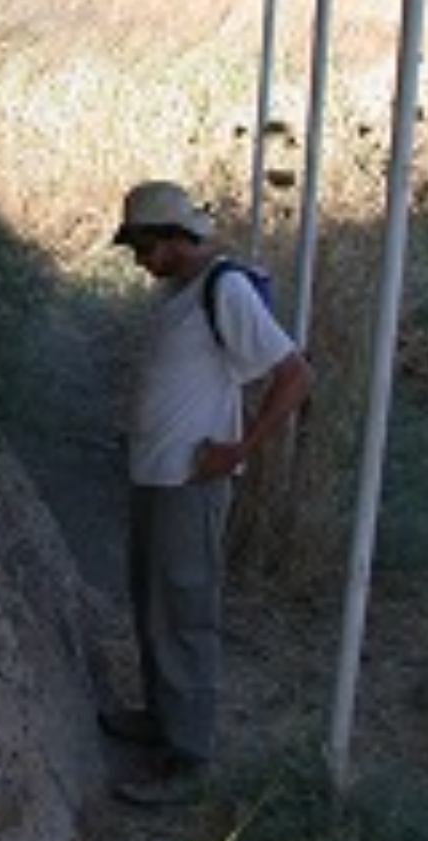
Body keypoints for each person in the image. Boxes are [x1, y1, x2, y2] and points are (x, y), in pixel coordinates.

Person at [101, 180, 314, 806]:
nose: (138, 260)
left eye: (143, 246)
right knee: (154, 602)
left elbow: (296, 375)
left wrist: (239, 450)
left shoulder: (227, 289)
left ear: (172, 238)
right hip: (158, 475)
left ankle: (187, 755)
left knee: (185, 613)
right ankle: (161, 720)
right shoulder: (183, 293)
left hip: (190, 482)